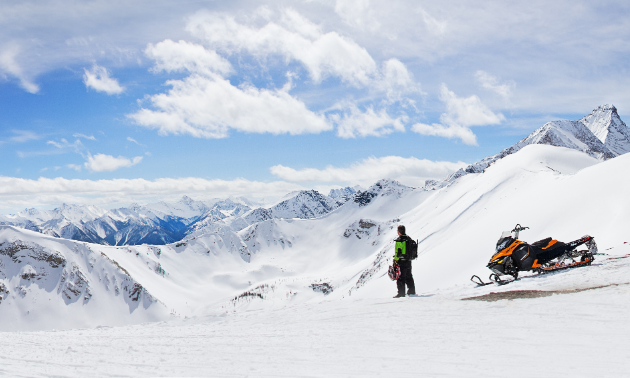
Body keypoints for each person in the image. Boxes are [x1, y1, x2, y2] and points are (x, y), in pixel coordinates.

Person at [393, 225, 416, 298]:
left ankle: (401, 293)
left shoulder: (399, 241)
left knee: (400, 277)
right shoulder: (408, 239)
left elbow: (397, 252)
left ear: (399, 232)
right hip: (408, 261)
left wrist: (395, 260)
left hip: (401, 261)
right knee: (409, 276)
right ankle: (411, 291)